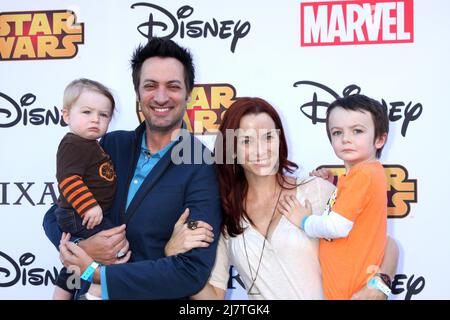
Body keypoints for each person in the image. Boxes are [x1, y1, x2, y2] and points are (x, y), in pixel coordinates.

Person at [165, 96, 398, 300]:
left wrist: (379, 285)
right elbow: (213, 298)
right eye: (246, 140)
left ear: (280, 140)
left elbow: (385, 243)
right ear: (231, 148)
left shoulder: (316, 190)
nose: (260, 150)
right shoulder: (226, 214)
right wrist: (176, 260)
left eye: (268, 137)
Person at [43, 37, 222, 299]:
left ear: (189, 94)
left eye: (173, 86)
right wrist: (85, 246)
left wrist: (98, 274)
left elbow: (190, 271)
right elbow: (54, 214)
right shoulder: (112, 145)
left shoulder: (201, 164)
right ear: (138, 93)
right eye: (150, 86)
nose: (161, 97)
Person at [278, 94, 390, 299]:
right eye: (337, 132)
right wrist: (333, 188)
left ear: (380, 139)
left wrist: (302, 220)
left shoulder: (362, 175)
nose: (346, 138)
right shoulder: (365, 174)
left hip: (351, 291)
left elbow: (336, 227)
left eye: (357, 131)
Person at [53, 78, 117, 300]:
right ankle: (94, 290)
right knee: (114, 247)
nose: (95, 120)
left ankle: (62, 293)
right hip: (79, 213)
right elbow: (68, 179)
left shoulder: (91, 145)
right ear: (67, 115)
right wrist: (89, 206)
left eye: (103, 115)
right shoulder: (73, 144)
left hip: (84, 213)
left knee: (78, 257)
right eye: (87, 112)